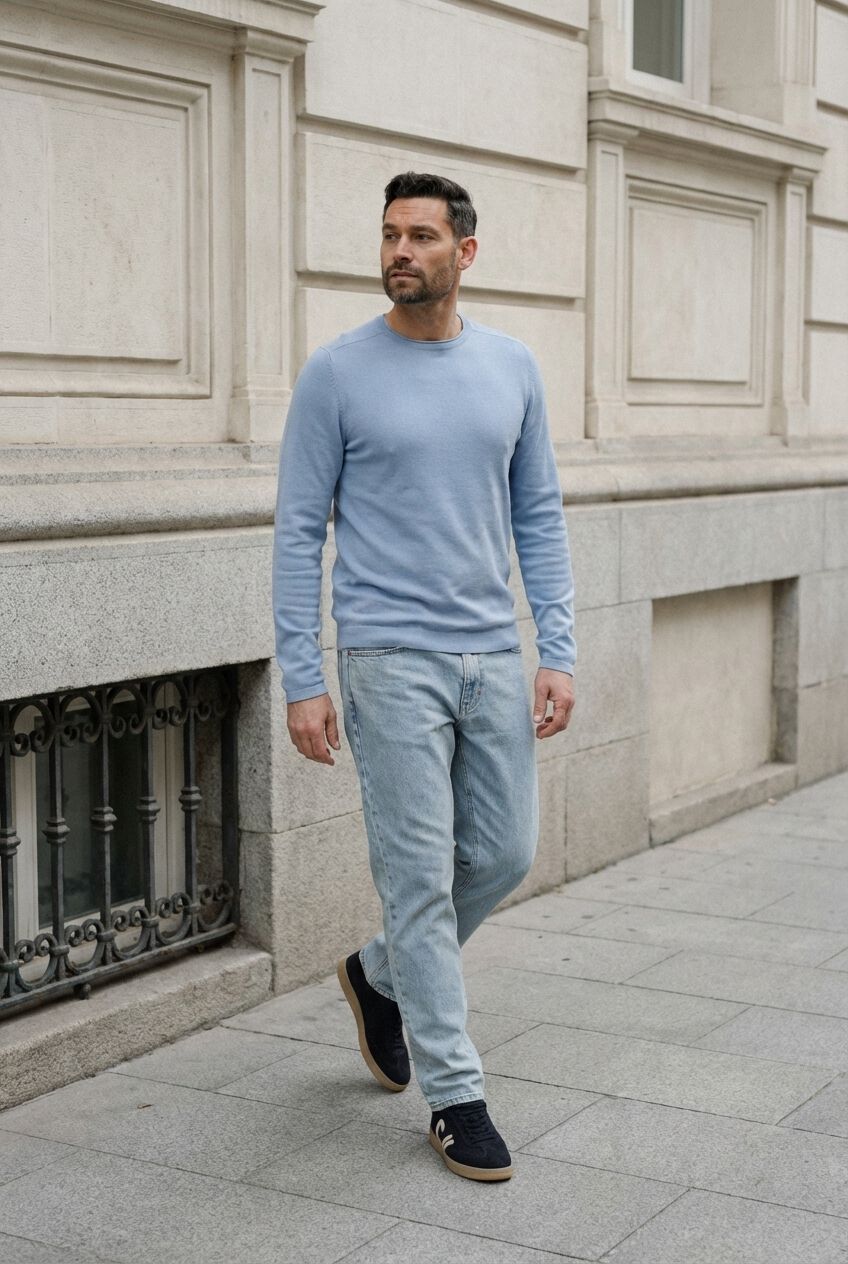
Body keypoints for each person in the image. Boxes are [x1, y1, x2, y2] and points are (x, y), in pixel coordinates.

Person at [272, 171, 576, 1182]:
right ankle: (456, 1096)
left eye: (421, 236)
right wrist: (303, 675)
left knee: (504, 852)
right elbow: (296, 532)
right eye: (389, 234)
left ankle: (377, 974)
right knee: (416, 876)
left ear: (464, 252)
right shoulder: (336, 373)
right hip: (386, 658)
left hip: (492, 652)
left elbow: (537, 514)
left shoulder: (512, 367)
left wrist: (558, 648)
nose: (400, 251)